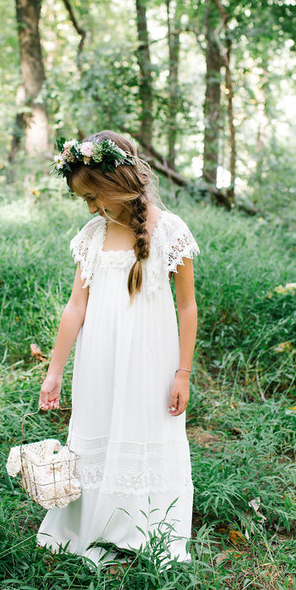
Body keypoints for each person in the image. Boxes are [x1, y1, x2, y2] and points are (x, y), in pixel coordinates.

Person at [37, 130, 199, 566]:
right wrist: (55, 372)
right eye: (84, 200)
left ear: (119, 182)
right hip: (98, 358)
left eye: (94, 197)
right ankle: (94, 523)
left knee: (144, 429)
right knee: (99, 426)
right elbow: (75, 307)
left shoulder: (170, 232)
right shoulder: (93, 235)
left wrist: (183, 373)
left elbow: (187, 307)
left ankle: (142, 527)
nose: (91, 208)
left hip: (151, 361)